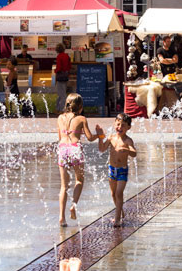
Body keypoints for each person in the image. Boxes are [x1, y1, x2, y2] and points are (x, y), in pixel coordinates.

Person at [56, 93, 101, 226]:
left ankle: (61, 218)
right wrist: (99, 134)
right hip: (75, 148)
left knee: (64, 186)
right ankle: (73, 205)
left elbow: (59, 137)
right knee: (79, 180)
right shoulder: (81, 119)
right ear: (80, 107)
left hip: (63, 149)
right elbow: (89, 137)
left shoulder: (59, 118)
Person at [98, 113, 137, 227]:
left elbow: (134, 153)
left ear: (128, 127)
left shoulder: (128, 141)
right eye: (118, 124)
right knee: (113, 194)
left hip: (122, 170)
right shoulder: (111, 138)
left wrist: (127, 150)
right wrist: (100, 137)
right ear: (114, 124)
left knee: (119, 193)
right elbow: (102, 149)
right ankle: (120, 212)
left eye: (123, 125)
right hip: (112, 169)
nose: (120, 127)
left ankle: (117, 219)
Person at [54, 43, 72, 112]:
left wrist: (55, 71)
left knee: (62, 95)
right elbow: (69, 66)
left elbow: (58, 68)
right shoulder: (67, 56)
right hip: (65, 76)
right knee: (62, 93)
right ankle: (58, 108)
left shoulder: (59, 56)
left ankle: (62, 109)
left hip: (60, 77)